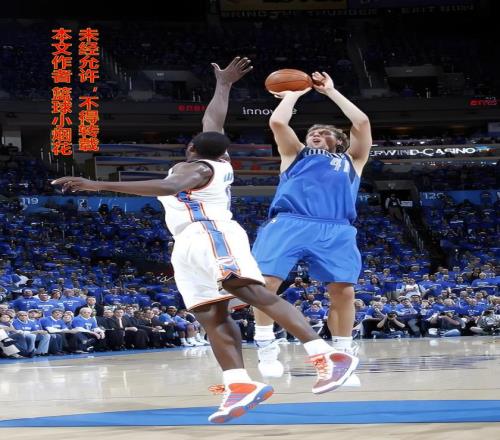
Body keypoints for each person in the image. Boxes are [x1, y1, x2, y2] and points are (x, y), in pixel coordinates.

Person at [52, 58, 358, 424]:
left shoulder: (198, 167)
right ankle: (239, 383)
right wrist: (223, 85)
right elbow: (213, 121)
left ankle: (326, 353)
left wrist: (96, 184)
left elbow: (169, 186)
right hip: (186, 242)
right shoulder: (218, 158)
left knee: (251, 291)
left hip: (210, 232)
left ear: (192, 148)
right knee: (210, 314)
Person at [251, 71, 371, 383]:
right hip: (289, 222)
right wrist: (292, 94)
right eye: (312, 132)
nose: (316, 134)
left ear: (339, 141)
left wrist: (330, 91)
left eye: (324, 132)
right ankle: (265, 345)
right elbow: (278, 123)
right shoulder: (295, 154)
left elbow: (361, 122)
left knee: (343, 291)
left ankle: (342, 355)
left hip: (336, 228)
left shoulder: (352, 160)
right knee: (265, 283)